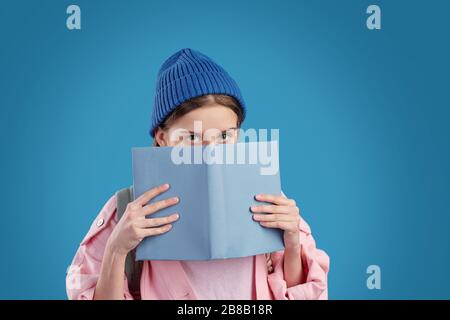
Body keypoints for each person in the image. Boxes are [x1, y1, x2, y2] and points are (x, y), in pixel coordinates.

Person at [66, 48, 329, 300]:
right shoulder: (126, 210)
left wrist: (293, 244)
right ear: (163, 137)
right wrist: (116, 249)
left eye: (225, 135)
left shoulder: (269, 200)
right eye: (192, 137)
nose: (211, 151)